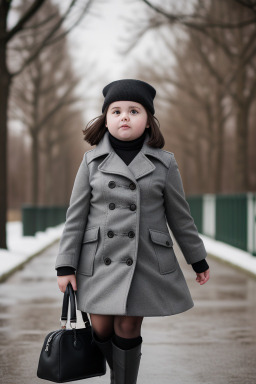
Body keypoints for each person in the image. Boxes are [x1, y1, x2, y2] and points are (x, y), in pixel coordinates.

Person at [55, 79, 210, 384]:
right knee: (99, 328)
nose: (124, 116)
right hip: (98, 259)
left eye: (134, 110)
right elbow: (76, 217)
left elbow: (181, 217)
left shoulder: (165, 163)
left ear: (149, 120)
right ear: (106, 119)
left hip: (142, 260)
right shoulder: (91, 162)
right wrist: (65, 264)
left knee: (127, 328)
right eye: (116, 111)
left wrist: (198, 259)